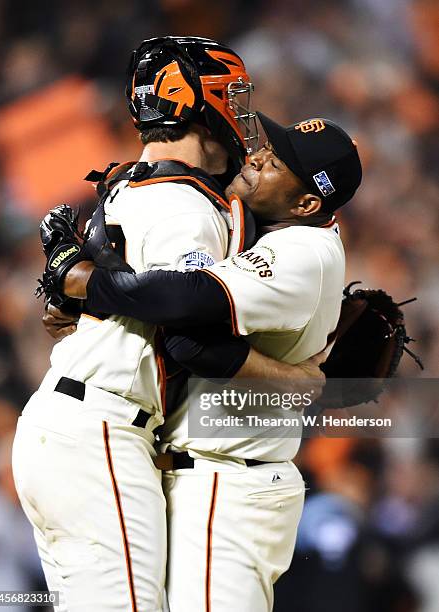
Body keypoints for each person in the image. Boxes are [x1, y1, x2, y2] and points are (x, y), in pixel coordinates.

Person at [12, 37, 324, 612]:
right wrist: (289, 377)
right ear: (196, 103)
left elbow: (64, 318)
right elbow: (186, 329)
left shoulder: (132, 182)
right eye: (231, 94)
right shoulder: (185, 203)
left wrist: (78, 291)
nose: (241, 108)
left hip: (82, 424)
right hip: (100, 429)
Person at [59, 112, 363, 611]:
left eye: (279, 162)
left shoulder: (302, 250)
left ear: (307, 202)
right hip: (209, 474)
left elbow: (185, 317)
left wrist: (81, 280)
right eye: (271, 145)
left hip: (231, 483)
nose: (260, 155)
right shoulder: (272, 230)